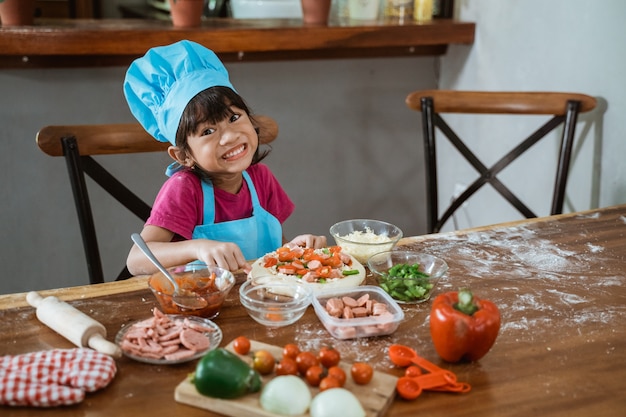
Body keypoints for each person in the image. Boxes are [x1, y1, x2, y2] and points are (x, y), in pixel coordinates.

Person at [123, 40, 326, 276]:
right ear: (184, 155)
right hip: (202, 302)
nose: (229, 137)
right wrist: (197, 248)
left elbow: (274, 251)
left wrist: (293, 250)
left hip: (260, 301)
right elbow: (136, 261)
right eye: (207, 131)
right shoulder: (185, 189)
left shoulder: (261, 179)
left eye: (234, 118)